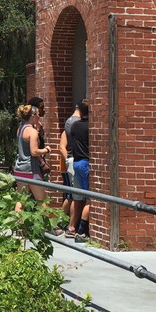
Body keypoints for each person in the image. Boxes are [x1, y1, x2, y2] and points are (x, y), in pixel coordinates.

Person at [13, 103, 50, 204]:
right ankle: (44, 220)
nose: (39, 116)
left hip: (20, 168)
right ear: (33, 116)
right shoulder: (32, 132)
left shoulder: (20, 129)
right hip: (31, 170)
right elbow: (34, 152)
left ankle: (16, 220)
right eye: (38, 114)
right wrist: (46, 150)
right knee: (42, 201)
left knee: (20, 201)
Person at [65, 102, 91, 242]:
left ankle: (71, 227)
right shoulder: (90, 127)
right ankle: (81, 231)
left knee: (77, 197)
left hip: (76, 162)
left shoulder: (74, 126)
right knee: (90, 198)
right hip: (86, 162)